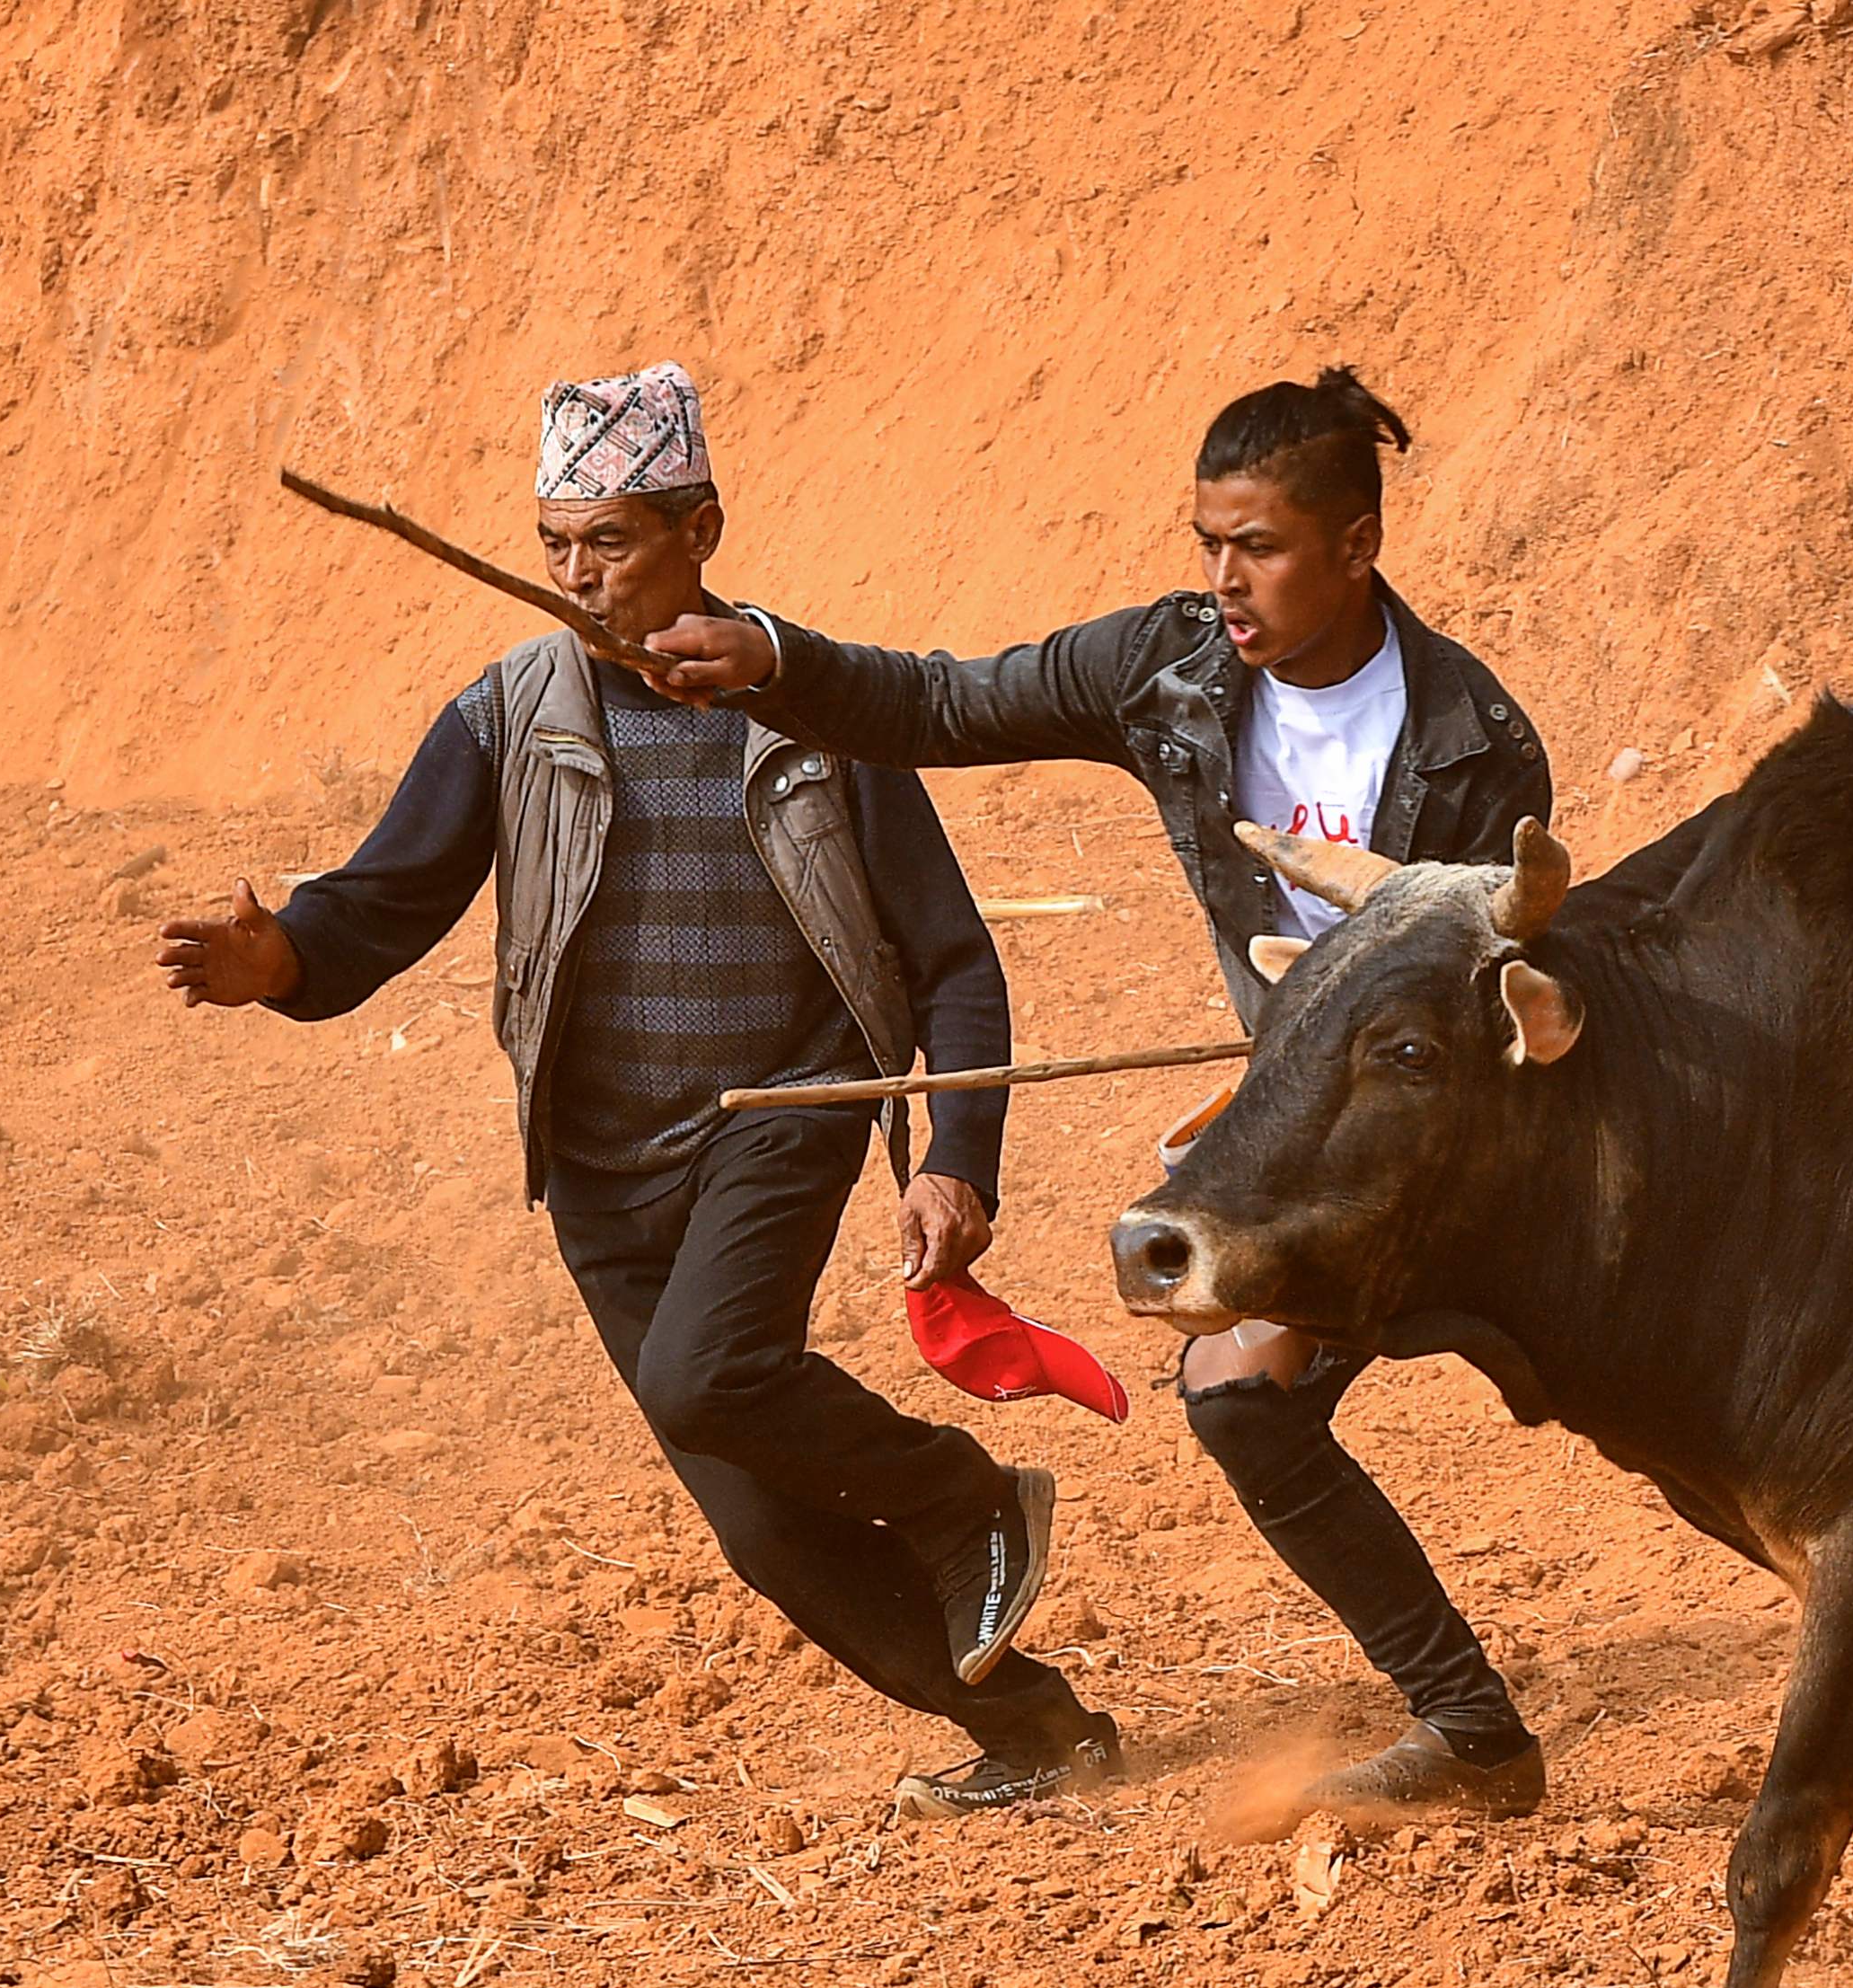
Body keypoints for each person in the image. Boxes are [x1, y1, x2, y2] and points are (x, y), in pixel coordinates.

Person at [157, 363, 1107, 1819]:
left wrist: (956, 1154)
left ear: (700, 529)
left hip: (780, 1117)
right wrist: (275, 958)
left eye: (608, 540)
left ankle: (967, 1500)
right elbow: (376, 906)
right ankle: (1046, 1735)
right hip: (599, 1171)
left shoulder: (814, 709)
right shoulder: (508, 715)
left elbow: (953, 963)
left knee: (702, 1376)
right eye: (555, 542)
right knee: (764, 1527)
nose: (575, 574)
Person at [641, 369, 1558, 1825]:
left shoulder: (1472, 744)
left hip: (1457, 1147)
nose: (1224, 579)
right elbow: (940, 701)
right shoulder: (1171, 670)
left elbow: (1501, 989)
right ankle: (1475, 1733)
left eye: (1256, 546)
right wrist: (767, 656)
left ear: (1357, 544)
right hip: (1312, 1152)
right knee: (1237, 1394)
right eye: (1207, 542)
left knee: (1663, 1410)